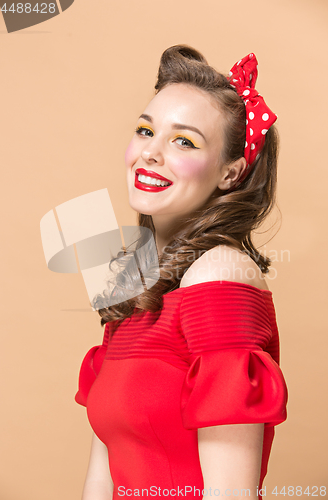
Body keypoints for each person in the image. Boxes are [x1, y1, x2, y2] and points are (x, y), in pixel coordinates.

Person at [75, 45, 288, 500]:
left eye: (184, 141)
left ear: (230, 174)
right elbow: (103, 476)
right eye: (146, 130)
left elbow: (230, 492)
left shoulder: (221, 276)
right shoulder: (138, 286)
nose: (151, 153)